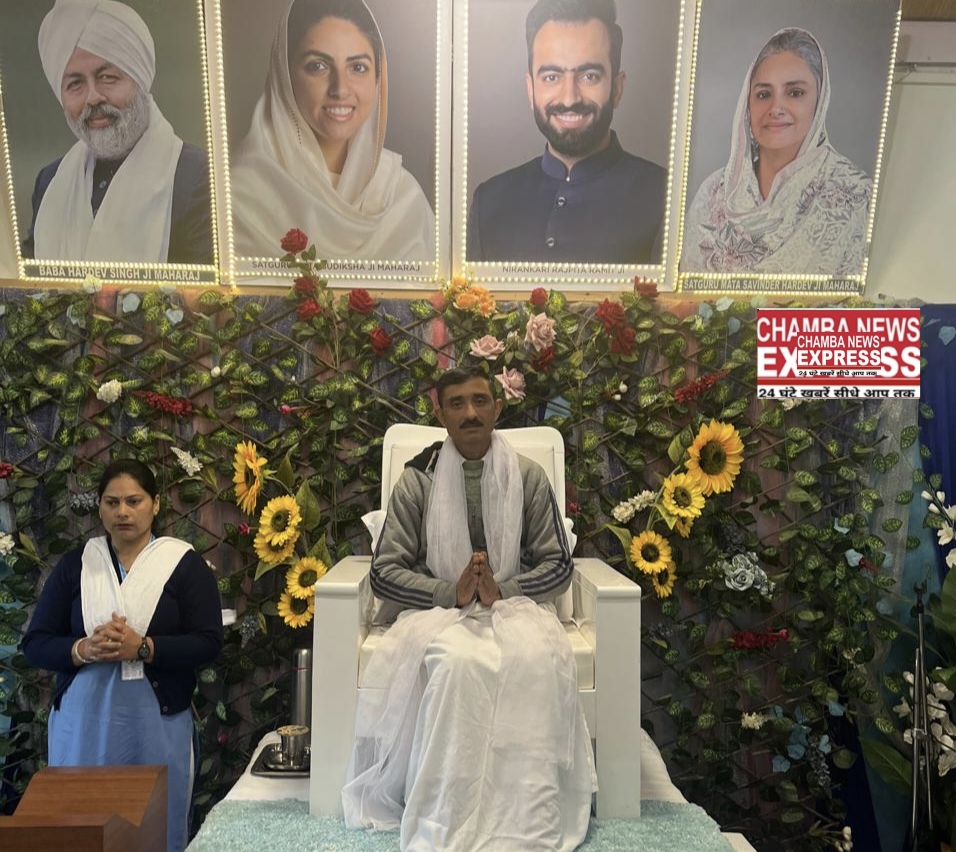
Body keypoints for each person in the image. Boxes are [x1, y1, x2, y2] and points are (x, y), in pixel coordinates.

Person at [342, 367, 595, 852]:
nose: (470, 413)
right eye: (456, 403)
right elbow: (384, 573)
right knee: (457, 663)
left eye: (480, 400)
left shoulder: (528, 476)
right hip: (439, 614)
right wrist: (449, 593)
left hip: (515, 609)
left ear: (498, 407)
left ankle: (524, 822)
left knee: (532, 660)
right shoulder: (417, 479)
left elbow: (558, 567)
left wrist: (504, 589)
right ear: (439, 413)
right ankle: (447, 817)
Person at [22, 459, 223, 852]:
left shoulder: (182, 564)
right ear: (99, 507)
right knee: (81, 827)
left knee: (154, 826)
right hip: (84, 726)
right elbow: (36, 643)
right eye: (112, 503)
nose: (123, 512)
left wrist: (143, 648)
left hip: (156, 727)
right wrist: (82, 649)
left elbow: (208, 642)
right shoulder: (78, 565)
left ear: (156, 504)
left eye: (134, 501)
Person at [230, 0, 435, 261]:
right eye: (318, 66)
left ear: (377, 79)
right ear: (285, 75)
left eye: (358, 67)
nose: (340, 89)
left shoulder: (403, 196)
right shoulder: (240, 192)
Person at [467, 0, 666, 264]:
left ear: (617, 88)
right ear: (531, 89)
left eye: (589, 76)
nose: (570, 98)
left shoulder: (665, 198)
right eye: (552, 77)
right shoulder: (489, 202)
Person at [22, 0, 213, 265]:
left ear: (140, 79)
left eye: (107, 77)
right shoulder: (50, 181)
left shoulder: (197, 176)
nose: (93, 97)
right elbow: (29, 281)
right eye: (75, 84)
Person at [682, 28, 871, 275]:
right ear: (747, 105)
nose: (776, 108)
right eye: (763, 94)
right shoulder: (714, 192)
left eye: (795, 93)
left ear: (820, 101)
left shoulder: (855, 194)